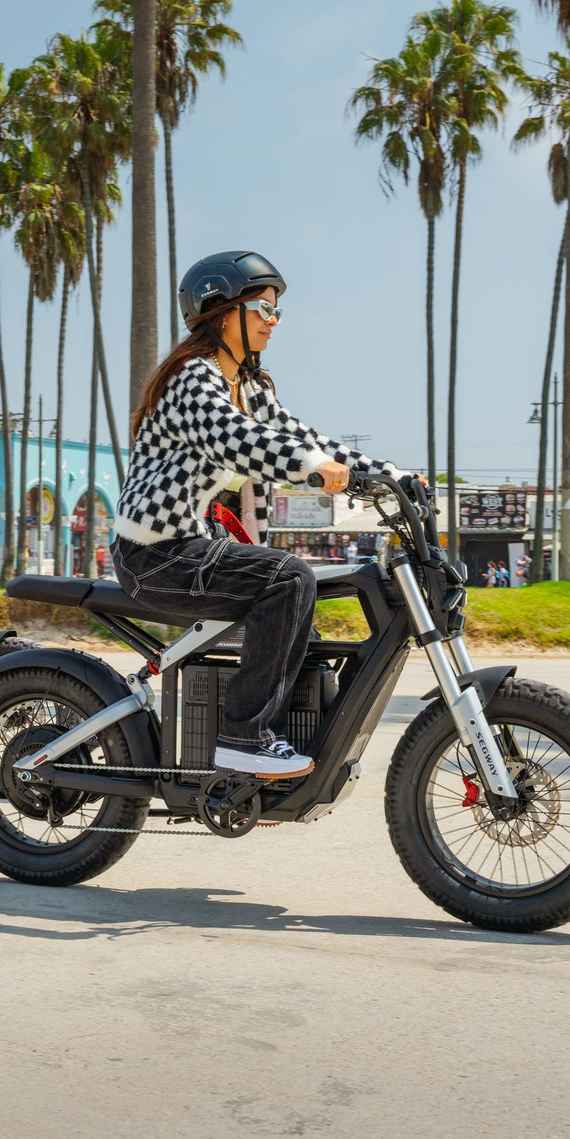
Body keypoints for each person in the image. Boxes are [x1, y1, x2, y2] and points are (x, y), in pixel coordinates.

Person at [112, 250, 403, 779]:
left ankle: (277, 752)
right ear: (222, 310)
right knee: (289, 577)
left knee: (306, 607)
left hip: (191, 547)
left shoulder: (249, 386)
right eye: (263, 309)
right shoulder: (189, 380)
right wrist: (312, 468)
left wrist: (391, 474)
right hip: (153, 554)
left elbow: (302, 437)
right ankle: (244, 738)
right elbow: (238, 442)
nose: (274, 322)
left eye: (277, 312)